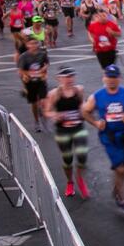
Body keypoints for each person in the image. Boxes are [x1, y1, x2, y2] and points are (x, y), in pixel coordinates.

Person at [81, 64, 124, 215]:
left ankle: (117, 187)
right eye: (108, 77)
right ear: (104, 78)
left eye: (114, 77)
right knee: (121, 168)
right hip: (109, 137)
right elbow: (85, 112)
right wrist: (96, 122)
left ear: (119, 78)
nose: (111, 80)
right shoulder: (96, 96)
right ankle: (121, 200)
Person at [43, 67, 91, 198]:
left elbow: (83, 105)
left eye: (71, 76)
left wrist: (84, 109)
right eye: (66, 77)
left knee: (82, 156)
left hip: (78, 128)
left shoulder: (79, 90)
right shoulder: (54, 94)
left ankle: (80, 180)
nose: (69, 79)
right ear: (59, 78)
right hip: (62, 131)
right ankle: (70, 182)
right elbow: (47, 111)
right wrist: (56, 114)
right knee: (67, 159)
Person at [17, 37, 50, 131]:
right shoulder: (24, 56)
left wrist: (43, 70)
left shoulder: (42, 54)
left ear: (38, 44)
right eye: (31, 44)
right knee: (34, 103)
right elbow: (20, 70)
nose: (33, 46)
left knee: (43, 101)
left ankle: (44, 119)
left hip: (40, 81)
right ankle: (36, 122)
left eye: (35, 43)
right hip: (29, 82)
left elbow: (47, 63)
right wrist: (30, 75)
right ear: (27, 45)